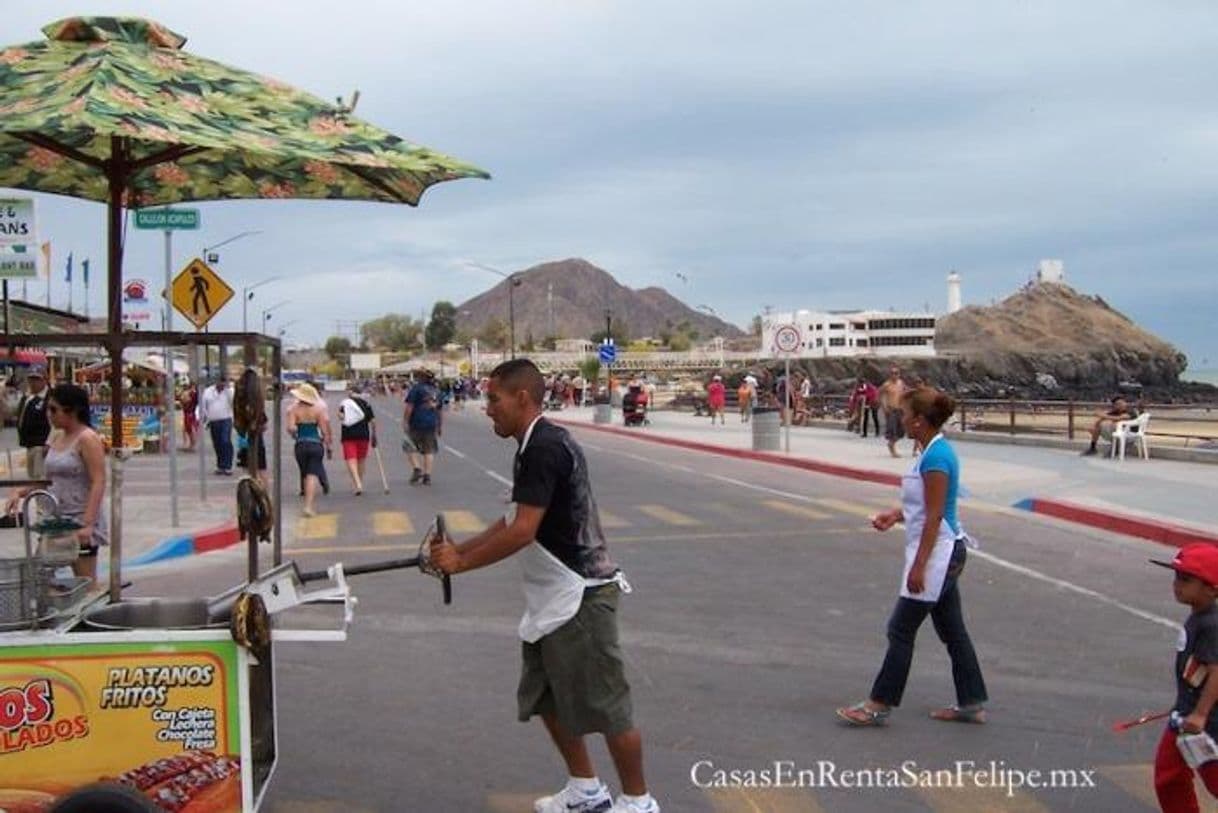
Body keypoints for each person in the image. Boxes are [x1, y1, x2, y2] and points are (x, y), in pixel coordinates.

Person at [429, 359, 659, 813]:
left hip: (582, 595)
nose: (487, 408)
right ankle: (585, 789)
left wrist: (461, 564)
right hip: (550, 598)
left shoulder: (544, 448)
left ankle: (638, 801)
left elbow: (522, 531)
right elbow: (511, 518)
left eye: (493, 399)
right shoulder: (528, 446)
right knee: (546, 696)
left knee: (609, 707)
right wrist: (459, 550)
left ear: (522, 398)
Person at [837, 386, 988, 727]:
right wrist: (896, 515)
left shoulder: (936, 458)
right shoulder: (930, 451)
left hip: (940, 553)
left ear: (919, 421)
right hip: (941, 549)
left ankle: (878, 704)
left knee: (900, 629)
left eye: (904, 415)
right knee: (953, 631)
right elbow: (924, 508)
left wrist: (919, 567)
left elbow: (935, 515)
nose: (901, 420)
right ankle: (972, 702)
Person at [7, 384, 107, 583]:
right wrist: (21, 492)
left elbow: (99, 480)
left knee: (85, 581)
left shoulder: (87, 438)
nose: (49, 415)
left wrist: (88, 524)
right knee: (38, 579)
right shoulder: (56, 436)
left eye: (54, 409)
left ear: (73, 410)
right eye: (48, 409)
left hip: (79, 519)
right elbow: (48, 478)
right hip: (55, 521)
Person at [1149, 544, 1218, 811]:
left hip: (1207, 722)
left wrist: (1200, 714)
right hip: (1184, 715)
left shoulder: (1212, 625)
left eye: (1186, 579)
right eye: (1176, 577)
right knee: (1168, 777)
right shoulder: (1199, 617)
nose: (1177, 585)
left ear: (1212, 588)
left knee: (1214, 781)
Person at [286, 383, 331, 517]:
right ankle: (308, 506)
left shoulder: (293, 409)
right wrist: (328, 446)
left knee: (305, 474)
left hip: (300, 444)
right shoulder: (318, 409)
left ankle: (307, 502)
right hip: (315, 443)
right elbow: (324, 431)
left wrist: (296, 433)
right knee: (312, 474)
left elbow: (291, 429)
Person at [403, 369, 442, 486]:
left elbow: (410, 406)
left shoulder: (416, 389)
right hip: (431, 423)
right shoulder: (437, 391)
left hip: (416, 422)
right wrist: (439, 425)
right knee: (429, 450)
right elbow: (440, 410)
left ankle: (417, 468)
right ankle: (427, 475)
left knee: (409, 445)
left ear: (421, 378)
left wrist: (405, 421)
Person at [338, 384, 376, 495]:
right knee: (361, 459)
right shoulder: (366, 404)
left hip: (348, 435)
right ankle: (359, 482)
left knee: (351, 459)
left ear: (351, 392)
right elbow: (373, 421)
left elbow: (341, 416)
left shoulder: (345, 403)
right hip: (363, 435)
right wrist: (374, 435)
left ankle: (357, 483)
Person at [16, 366, 51, 480]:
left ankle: (41, 498)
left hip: (41, 445)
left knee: (40, 479)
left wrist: (49, 444)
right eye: (31, 379)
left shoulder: (49, 398)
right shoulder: (28, 397)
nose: (33, 382)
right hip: (29, 444)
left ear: (45, 380)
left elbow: (55, 424)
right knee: (32, 479)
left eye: (37, 379)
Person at [200, 376, 234, 475]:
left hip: (226, 419)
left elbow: (233, 402)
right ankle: (220, 465)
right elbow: (203, 404)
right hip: (213, 420)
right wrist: (204, 417)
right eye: (220, 382)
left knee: (225, 441)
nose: (221, 385)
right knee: (217, 443)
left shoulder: (229, 391)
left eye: (223, 383)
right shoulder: (208, 391)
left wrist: (228, 390)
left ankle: (228, 466)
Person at [878, 366, 907, 458]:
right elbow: (879, 395)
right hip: (891, 410)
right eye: (893, 373)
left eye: (896, 373)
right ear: (890, 375)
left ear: (899, 374)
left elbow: (905, 393)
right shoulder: (886, 385)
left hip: (900, 409)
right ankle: (893, 449)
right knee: (892, 430)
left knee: (902, 431)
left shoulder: (901, 383)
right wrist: (884, 407)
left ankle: (891, 444)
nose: (895, 375)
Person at [180, 381, 199, 451]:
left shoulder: (193, 394)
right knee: (187, 429)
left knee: (190, 429)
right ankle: (190, 444)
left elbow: (187, 401)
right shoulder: (192, 393)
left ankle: (192, 445)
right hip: (188, 413)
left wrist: (184, 399)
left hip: (190, 413)